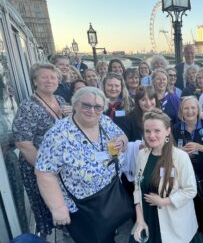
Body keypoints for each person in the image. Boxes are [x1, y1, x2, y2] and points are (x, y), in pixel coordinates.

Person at [35, 87, 131, 243]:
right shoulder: (58, 134)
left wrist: (121, 141)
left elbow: (122, 137)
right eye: (86, 105)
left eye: (97, 107)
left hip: (110, 194)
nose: (92, 110)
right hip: (82, 206)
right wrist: (58, 208)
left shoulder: (104, 121)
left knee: (108, 235)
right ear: (75, 104)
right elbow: (45, 173)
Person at [12, 63, 72, 238]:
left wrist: (71, 115)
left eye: (53, 77)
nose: (50, 80)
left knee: (65, 202)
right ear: (35, 81)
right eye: (44, 77)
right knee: (48, 205)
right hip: (38, 167)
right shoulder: (28, 107)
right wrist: (46, 170)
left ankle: (68, 232)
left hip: (61, 165)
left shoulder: (60, 100)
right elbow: (23, 144)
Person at [132, 109, 199, 243]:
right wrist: (140, 221)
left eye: (157, 131)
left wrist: (164, 201)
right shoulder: (142, 155)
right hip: (148, 219)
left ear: (167, 131)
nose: (151, 136)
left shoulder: (180, 157)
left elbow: (190, 190)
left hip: (174, 223)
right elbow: (137, 188)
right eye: (147, 131)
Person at [172, 96, 203, 235]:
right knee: (187, 205)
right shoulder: (175, 128)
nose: (190, 111)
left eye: (193, 108)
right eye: (186, 108)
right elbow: (172, 150)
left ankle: (202, 230)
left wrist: (200, 147)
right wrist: (180, 152)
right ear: (181, 111)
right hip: (184, 175)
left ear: (198, 110)